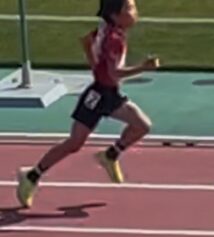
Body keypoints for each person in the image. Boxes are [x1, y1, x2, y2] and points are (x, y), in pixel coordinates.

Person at [15, 0, 160, 209]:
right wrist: (143, 68)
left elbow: (87, 42)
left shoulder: (107, 29)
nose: (135, 12)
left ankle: (110, 155)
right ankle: (31, 176)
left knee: (142, 125)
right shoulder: (114, 39)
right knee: (74, 143)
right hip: (98, 96)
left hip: (110, 94)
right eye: (129, 8)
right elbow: (114, 73)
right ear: (115, 15)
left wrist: (96, 66)